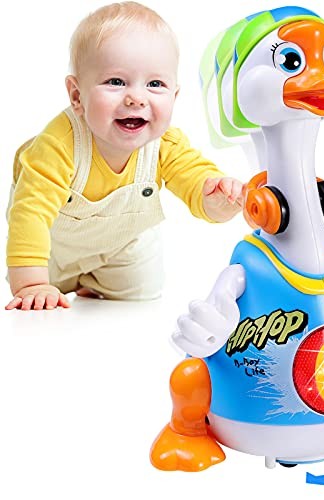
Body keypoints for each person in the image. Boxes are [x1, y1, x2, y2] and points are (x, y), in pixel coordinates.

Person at [5, 1, 244, 311]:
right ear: (77, 96)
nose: (136, 98)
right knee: (43, 285)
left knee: (144, 292)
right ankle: (62, 280)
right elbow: (31, 213)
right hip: (52, 249)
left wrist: (216, 200)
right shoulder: (59, 144)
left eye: (155, 84)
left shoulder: (165, 145)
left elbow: (196, 179)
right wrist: (31, 283)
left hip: (121, 248)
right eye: (116, 82)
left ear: (174, 96)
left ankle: (94, 282)